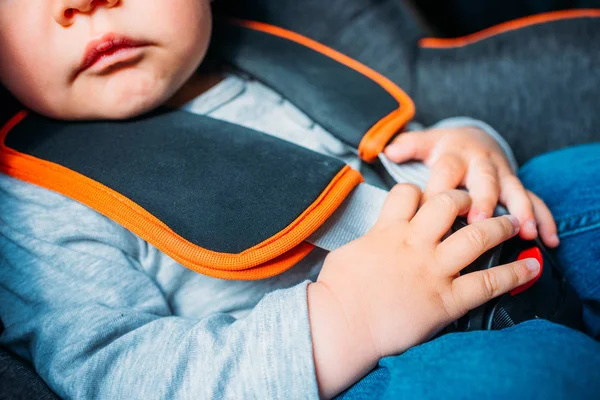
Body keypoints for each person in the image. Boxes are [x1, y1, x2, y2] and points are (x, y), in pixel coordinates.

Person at [0, 1, 597, 398]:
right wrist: (346, 319)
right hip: (351, 371)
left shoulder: (267, 60)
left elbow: (407, 142)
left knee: (578, 176)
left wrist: (469, 143)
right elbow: (121, 372)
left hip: (486, 244)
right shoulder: (36, 201)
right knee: (529, 374)